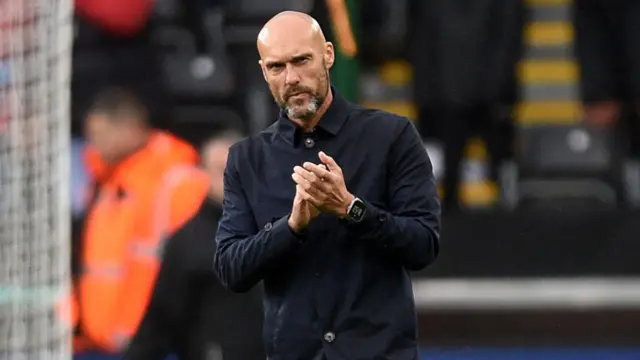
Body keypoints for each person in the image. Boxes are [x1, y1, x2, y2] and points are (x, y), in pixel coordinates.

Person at [214, 11, 440, 360]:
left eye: (302, 60)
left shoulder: (391, 137)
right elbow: (231, 268)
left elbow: (423, 245)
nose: (291, 78)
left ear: (329, 55)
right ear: (263, 72)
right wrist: (291, 228)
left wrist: (352, 209)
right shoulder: (247, 159)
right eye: (277, 67)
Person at [71, 88, 210, 359]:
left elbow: (190, 264)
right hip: (102, 341)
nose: (93, 144)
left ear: (130, 128)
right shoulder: (105, 182)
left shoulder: (177, 181)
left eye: (100, 134)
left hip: (156, 343)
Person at [124, 129, 265, 360]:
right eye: (220, 169)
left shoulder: (281, 228)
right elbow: (160, 319)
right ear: (204, 174)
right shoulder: (188, 242)